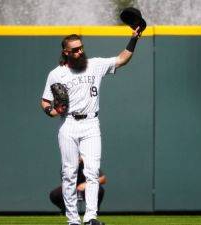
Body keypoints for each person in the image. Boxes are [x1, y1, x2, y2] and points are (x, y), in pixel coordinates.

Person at [41, 26, 141, 225]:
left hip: (91, 123)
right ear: (66, 53)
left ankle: (90, 218)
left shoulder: (94, 65)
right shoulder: (56, 74)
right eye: (75, 50)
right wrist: (53, 111)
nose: (80, 52)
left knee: (92, 171)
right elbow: (45, 101)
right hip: (68, 124)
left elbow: (122, 59)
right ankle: (73, 221)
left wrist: (134, 39)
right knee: (69, 174)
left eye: (81, 48)